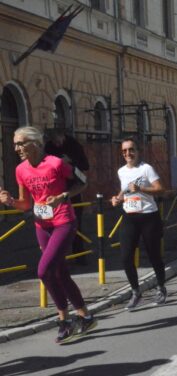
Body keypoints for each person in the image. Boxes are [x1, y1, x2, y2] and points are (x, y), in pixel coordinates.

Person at [0, 126, 96, 344]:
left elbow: (83, 182)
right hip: (41, 224)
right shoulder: (21, 170)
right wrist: (10, 202)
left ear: (35, 143)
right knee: (60, 273)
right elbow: (26, 204)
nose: (16, 148)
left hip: (63, 221)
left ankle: (64, 320)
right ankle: (85, 316)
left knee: (44, 271)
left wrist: (63, 196)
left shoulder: (56, 163)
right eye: (15, 144)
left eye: (21, 143)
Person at [110, 137, 167, 310]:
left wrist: (141, 189)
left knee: (153, 255)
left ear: (138, 151)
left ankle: (161, 287)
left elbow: (160, 189)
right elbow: (125, 188)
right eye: (125, 151)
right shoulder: (121, 171)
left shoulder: (146, 169)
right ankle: (136, 292)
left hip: (149, 216)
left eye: (131, 149)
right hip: (129, 216)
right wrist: (117, 198)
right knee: (125, 257)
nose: (128, 153)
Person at [44, 129, 90, 265]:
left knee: (75, 223)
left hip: (73, 188)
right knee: (53, 224)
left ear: (63, 136)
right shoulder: (49, 147)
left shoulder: (74, 145)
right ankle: (56, 256)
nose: (57, 145)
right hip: (55, 190)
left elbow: (85, 166)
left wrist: (70, 161)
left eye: (58, 141)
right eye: (54, 142)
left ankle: (79, 255)